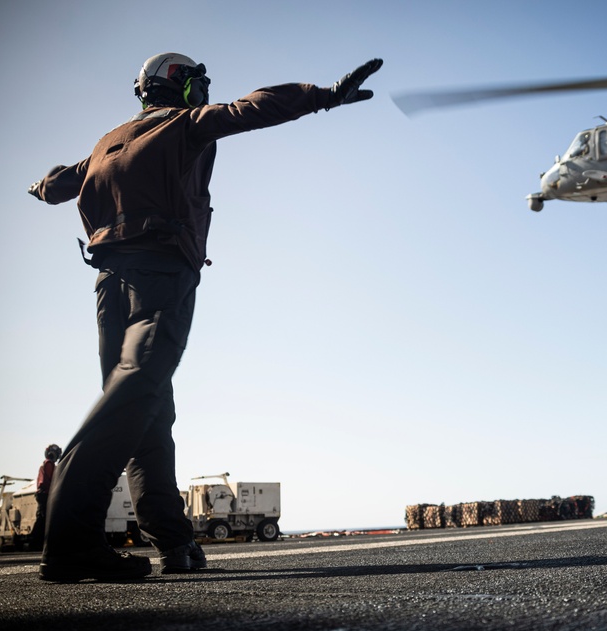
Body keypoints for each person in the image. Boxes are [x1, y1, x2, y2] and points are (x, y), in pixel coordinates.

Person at [28, 52, 382, 582]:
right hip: (160, 274)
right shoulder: (182, 124)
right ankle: (70, 542)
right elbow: (251, 108)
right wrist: (324, 96)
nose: (205, 92)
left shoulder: (106, 144)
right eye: (199, 83)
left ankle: (173, 541)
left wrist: (41, 184)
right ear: (179, 85)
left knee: (147, 412)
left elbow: (57, 185)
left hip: (109, 288)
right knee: (135, 391)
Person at [29, 444, 62, 549]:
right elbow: (50, 480)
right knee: (43, 519)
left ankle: (37, 543)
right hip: (45, 494)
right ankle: (35, 543)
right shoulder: (49, 464)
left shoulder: (46, 464)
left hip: (43, 494)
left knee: (43, 518)